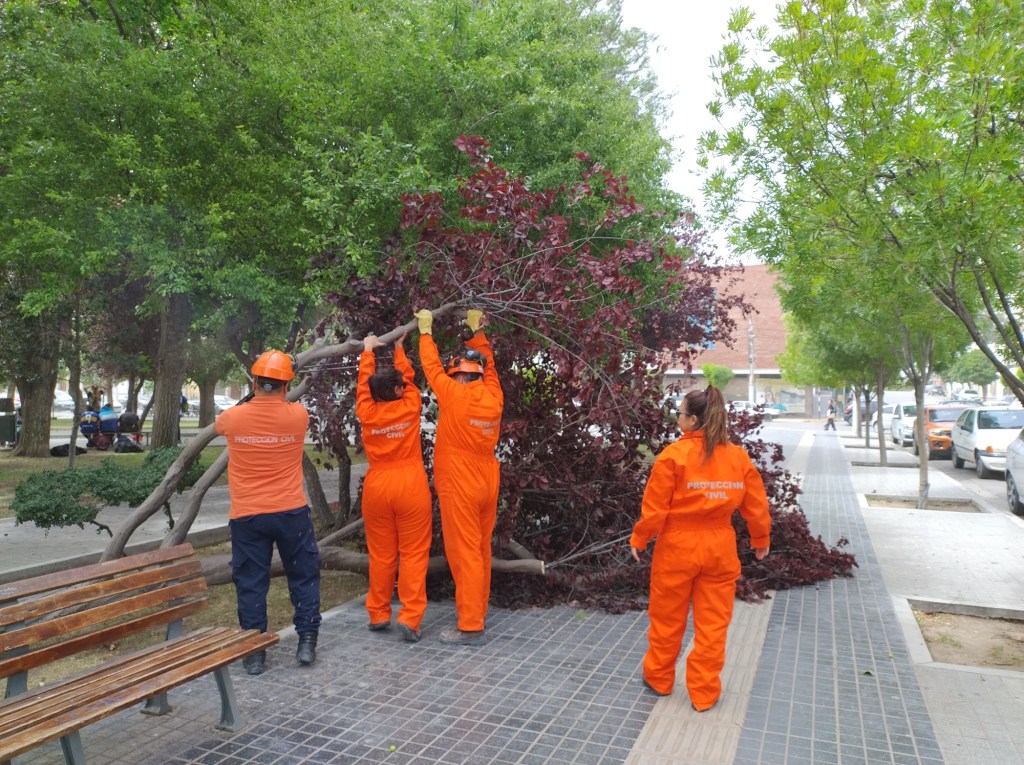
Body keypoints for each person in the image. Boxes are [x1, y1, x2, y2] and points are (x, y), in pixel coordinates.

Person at [630, 385, 771, 711]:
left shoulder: (673, 456)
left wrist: (640, 537)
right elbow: (756, 505)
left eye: (679, 413)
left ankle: (659, 679)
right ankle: (704, 694)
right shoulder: (737, 457)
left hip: (678, 548)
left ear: (692, 420)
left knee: (667, 619)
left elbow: (655, 509)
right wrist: (760, 539)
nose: (677, 417)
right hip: (720, 548)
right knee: (713, 626)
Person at [214, 350, 321, 675]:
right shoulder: (298, 416)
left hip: (247, 516)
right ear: (286, 386)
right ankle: (306, 641)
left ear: (254, 383)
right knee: (303, 575)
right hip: (290, 512)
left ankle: (254, 653)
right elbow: (280, 400)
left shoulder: (231, 418)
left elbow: (221, 424)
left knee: (250, 583)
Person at [415, 308, 503, 645]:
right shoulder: (493, 396)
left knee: (465, 554)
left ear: (460, 378)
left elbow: (431, 367)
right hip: (488, 478)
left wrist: (425, 332)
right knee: (479, 550)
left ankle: (470, 625)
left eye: (454, 377)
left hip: (461, 481)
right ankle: (477, 612)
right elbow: (490, 366)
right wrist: (476, 333)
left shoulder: (454, 395)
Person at [355, 331, 432, 642]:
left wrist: (367, 351)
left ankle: (378, 613)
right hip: (409, 483)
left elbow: (364, 387)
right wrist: (399, 350)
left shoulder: (367, 412)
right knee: (413, 554)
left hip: (377, 485)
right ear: (398, 390)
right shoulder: (410, 405)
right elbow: (410, 381)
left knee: (381, 555)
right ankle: (410, 618)